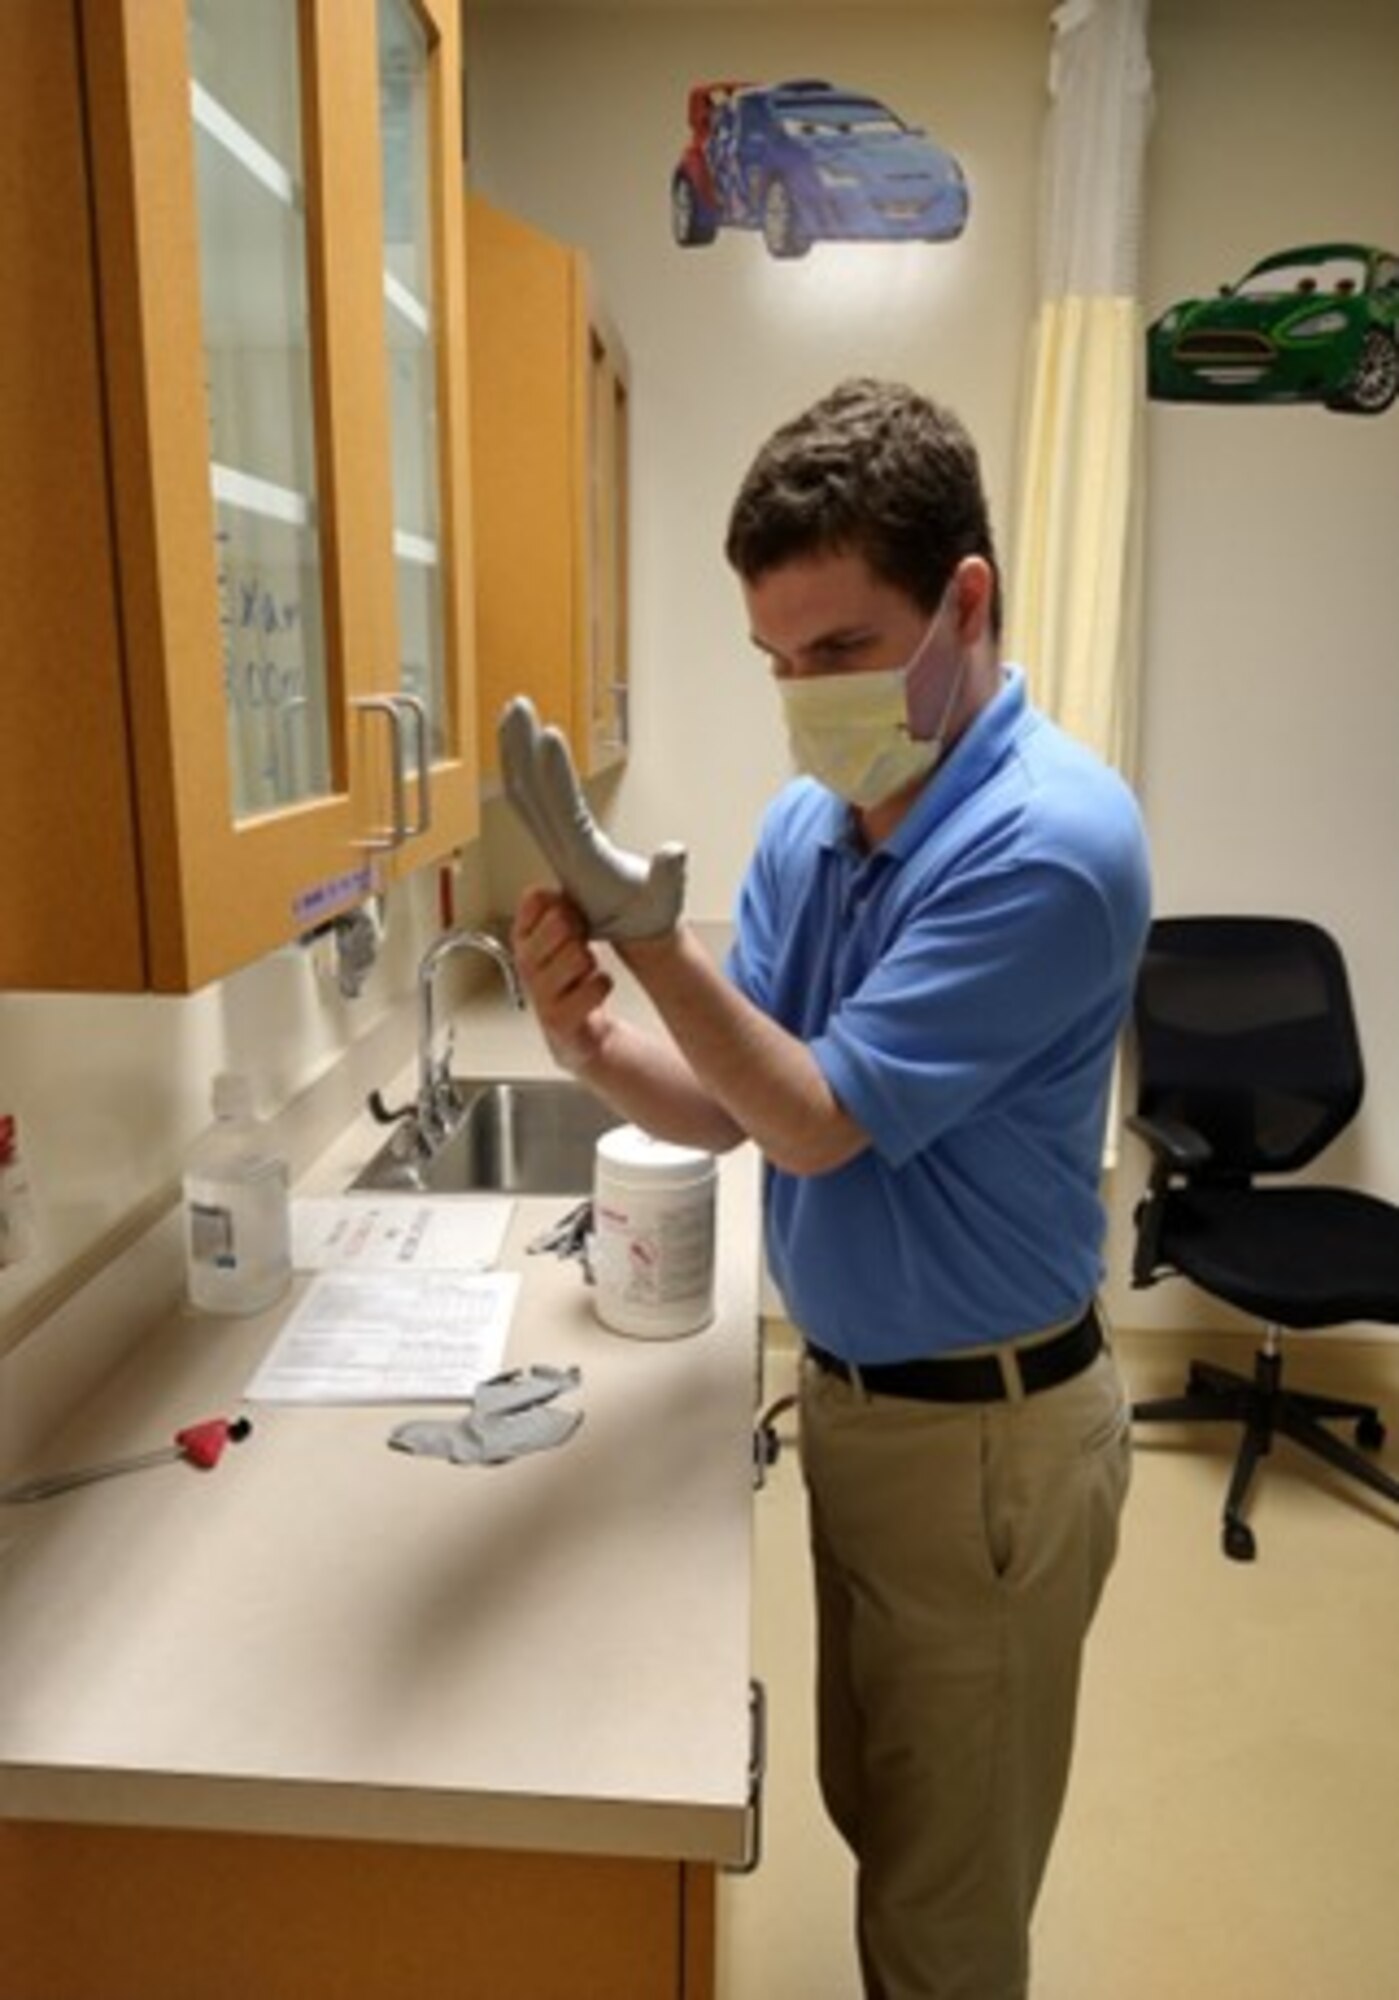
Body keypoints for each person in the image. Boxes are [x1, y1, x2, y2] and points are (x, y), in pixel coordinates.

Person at [502, 377, 1152, 2000]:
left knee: (947, 1910)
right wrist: (592, 1038)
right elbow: (736, 1108)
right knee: (884, 1816)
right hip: (858, 1411)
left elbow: (813, 1125)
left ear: (967, 600)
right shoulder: (818, 822)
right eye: (778, 663)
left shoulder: (1049, 845)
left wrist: (647, 938)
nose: (804, 698)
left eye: (843, 651)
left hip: (989, 1451)